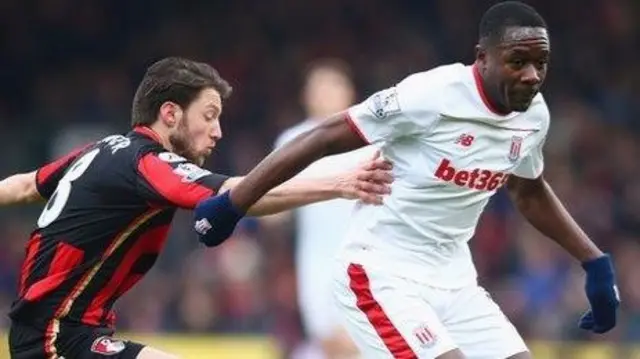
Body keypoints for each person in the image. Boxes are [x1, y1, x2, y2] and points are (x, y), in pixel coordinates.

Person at [194, 2, 621, 359]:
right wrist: (235, 204)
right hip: (380, 275)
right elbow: (324, 136)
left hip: (456, 281)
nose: (531, 75)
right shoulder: (430, 95)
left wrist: (593, 260)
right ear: (483, 57)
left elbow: (527, 190)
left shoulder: (534, 115)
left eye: (540, 63)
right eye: (518, 62)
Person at [1, 57, 393, 359]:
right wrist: (340, 183)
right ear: (170, 114)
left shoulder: (100, 150)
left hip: (63, 332)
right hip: (56, 337)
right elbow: (239, 194)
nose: (218, 131)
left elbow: (21, 186)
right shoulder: (148, 163)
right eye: (209, 116)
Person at [270, 59, 374, 359]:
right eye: (318, 88)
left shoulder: (369, 140)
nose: (325, 94)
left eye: (332, 86)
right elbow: (274, 208)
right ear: (306, 95)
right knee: (330, 342)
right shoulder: (291, 141)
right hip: (315, 262)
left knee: (361, 341)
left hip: (365, 258)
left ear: (349, 92)